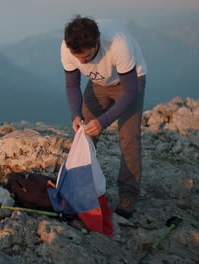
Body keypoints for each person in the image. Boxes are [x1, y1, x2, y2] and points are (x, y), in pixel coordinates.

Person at [61, 15, 147, 219]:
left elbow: (130, 93)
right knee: (84, 133)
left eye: (86, 56)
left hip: (130, 82)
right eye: (77, 56)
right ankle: (81, 189)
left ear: (97, 42)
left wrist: (103, 121)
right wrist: (76, 114)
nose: (81, 61)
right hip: (99, 83)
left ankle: (128, 195)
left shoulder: (118, 45)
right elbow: (72, 84)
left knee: (129, 137)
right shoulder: (67, 48)